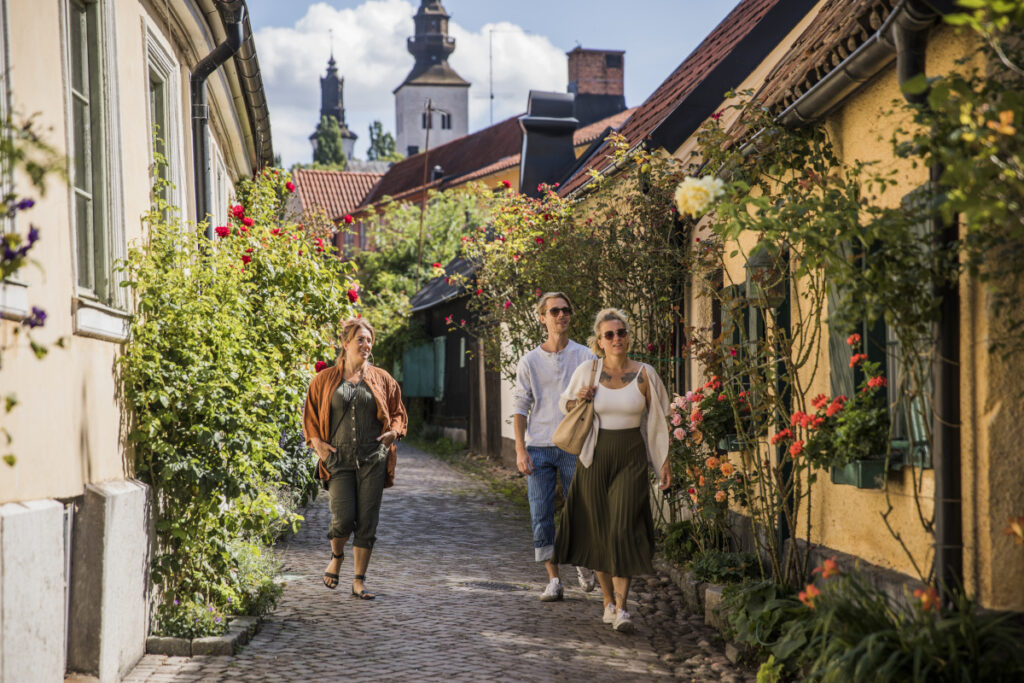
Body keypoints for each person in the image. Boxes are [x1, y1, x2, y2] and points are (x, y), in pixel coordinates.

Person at [553, 308, 672, 633]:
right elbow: (564, 405)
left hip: (631, 458)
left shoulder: (645, 374)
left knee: (622, 528)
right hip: (594, 458)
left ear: (628, 337)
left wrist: (664, 462)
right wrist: (578, 398)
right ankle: (607, 602)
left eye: (621, 333)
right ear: (599, 341)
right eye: (609, 335)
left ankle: (622, 608)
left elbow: (661, 420)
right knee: (598, 533)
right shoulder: (588, 371)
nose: (616, 339)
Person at [302, 317, 407, 599]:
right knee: (344, 518)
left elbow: (398, 413)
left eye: (369, 340)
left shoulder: (381, 378)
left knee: (367, 520)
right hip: (338, 460)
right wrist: (318, 446)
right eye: (360, 339)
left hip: (373, 458)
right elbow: (310, 417)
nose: (366, 344)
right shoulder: (324, 380)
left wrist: (393, 434)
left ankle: (359, 581)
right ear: (345, 343)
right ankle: (336, 557)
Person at [512, 292, 598, 601]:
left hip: (575, 445)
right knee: (541, 512)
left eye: (566, 310)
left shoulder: (586, 356)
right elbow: (520, 408)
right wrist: (520, 450)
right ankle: (553, 579)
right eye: (555, 311)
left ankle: (584, 562)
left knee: (582, 510)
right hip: (538, 447)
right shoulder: (530, 361)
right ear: (542, 317)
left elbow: (599, 400)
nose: (561, 315)